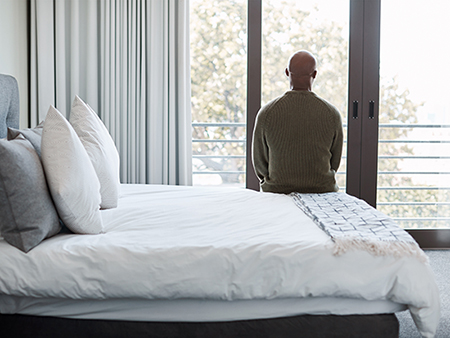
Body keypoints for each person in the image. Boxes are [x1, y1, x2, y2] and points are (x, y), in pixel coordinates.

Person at [252, 50, 343, 194]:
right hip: (322, 190)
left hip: (277, 190)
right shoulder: (331, 113)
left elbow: (260, 163)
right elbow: (334, 161)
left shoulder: (267, 113)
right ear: (314, 74)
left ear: (287, 72)